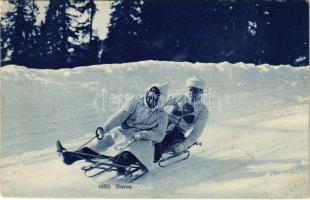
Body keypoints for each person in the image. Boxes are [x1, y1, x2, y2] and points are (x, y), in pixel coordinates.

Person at [57, 83, 169, 174]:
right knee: (103, 142)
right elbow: (120, 116)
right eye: (149, 97)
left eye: (154, 99)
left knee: (131, 152)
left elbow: (159, 135)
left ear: (160, 100)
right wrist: (105, 128)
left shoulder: (162, 115)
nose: (150, 101)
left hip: (142, 139)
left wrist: (144, 134)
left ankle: (120, 164)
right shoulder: (135, 102)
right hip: (126, 131)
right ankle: (70, 157)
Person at [154, 76, 208, 162]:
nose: (192, 93)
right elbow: (159, 105)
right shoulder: (178, 98)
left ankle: (155, 153)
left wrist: (184, 145)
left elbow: (196, 132)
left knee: (173, 128)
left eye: (196, 90)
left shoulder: (203, 110)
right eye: (190, 89)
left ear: (201, 92)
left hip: (178, 133)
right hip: (164, 124)